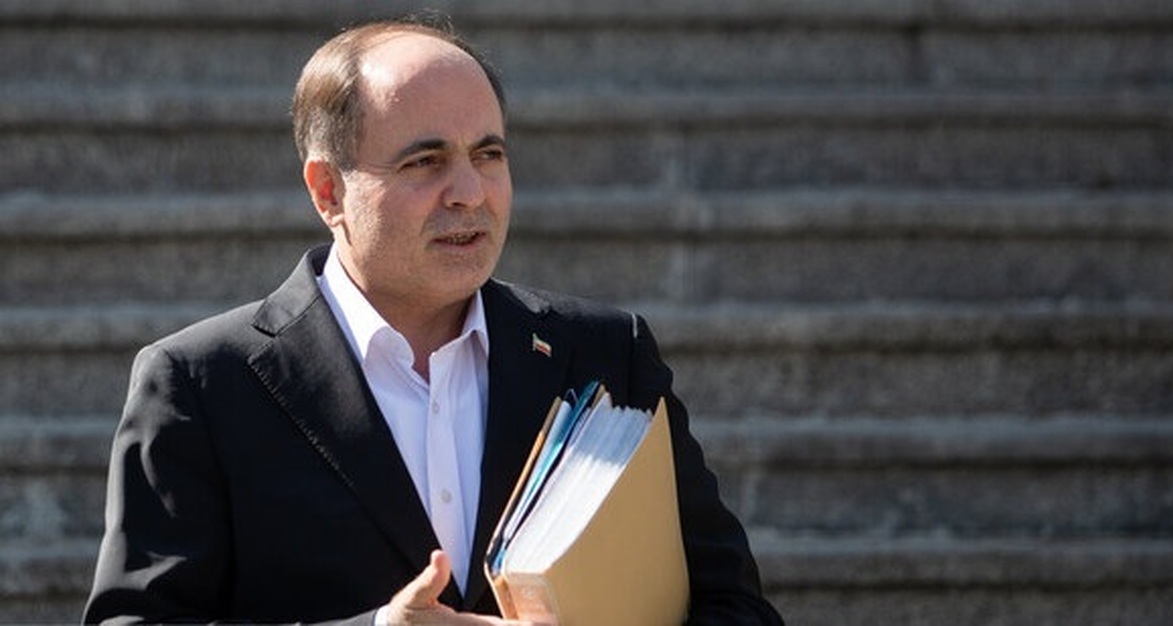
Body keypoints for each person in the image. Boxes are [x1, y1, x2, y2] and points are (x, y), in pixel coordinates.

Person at [83, 14, 784, 626]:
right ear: (328, 191)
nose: (470, 193)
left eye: (488, 154)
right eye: (425, 162)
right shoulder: (202, 383)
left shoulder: (605, 352)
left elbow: (736, 607)